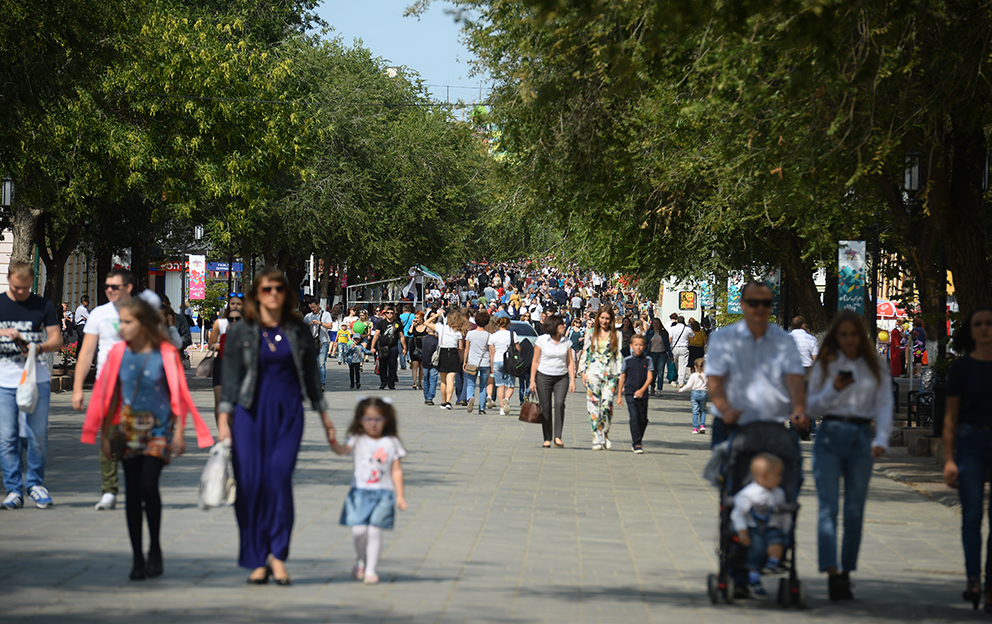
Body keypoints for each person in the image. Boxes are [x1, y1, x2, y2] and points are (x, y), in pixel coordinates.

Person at [217, 267, 335, 585]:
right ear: (256, 294)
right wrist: (223, 421)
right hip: (248, 415)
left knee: (278, 480)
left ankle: (278, 556)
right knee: (250, 486)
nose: (272, 294)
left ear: (286, 294)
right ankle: (257, 559)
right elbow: (230, 378)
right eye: (266, 289)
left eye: (278, 289)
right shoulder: (242, 332)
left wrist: (325, 419)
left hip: (288, 415)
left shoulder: (297, 329)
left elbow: (311, 377)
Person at [80, 297, 213, 579]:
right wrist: (104, 435)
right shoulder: (117, 353)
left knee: (148, 484)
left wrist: (180, 432)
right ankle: (137, 558)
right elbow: (110, 394)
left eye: (127, 322)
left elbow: (178, 394)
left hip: (159, 429)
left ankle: (155, 548)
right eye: (120, 322)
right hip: (128, 428)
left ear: (143, 324)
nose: (121, 327)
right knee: (132, 491)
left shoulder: (165, 352)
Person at [807, 309, 893, 600]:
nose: (849, 340)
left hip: (860, 435)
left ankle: (846, 571)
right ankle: (832, 572)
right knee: (828, 508)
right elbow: (812, 407)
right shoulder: (826, 363)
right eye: (843, 334)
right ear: (836, 336)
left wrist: (881, 438)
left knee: (854, 510)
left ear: (862, 336)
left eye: (854, 334)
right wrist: (834, 388)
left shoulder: (875, 365)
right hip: (830, 433)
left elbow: (884, 404)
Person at [705, 281, 809, 448]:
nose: (760, 308)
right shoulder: (723, 338)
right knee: (726, 465)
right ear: (743, 304)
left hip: (772, 426)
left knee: (788, 464)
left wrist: (799, 409)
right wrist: (725, 409)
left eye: (766, 303)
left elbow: (795, 381)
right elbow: (714, 382)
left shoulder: (785, 341)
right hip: (731, 424)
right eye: (754, 303)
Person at [942, 306, 992, 610]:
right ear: (971, 331)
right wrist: (949, 458)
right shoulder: (961, 368)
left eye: (989, 323)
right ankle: (973, 579)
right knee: (972, 514)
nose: (985, 328)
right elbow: (950, 416)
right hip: (970, 443)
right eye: (979, 324)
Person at [0, 261, 61, 511]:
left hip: (36, 379)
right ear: (9, 279)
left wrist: (37, 347)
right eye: (17, 287)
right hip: (4, 380)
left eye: (26, 288)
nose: (21, 292)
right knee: (7, 437)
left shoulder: (42, 305)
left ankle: (35, 484)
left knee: (37, 435)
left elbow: (56, 340)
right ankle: (14, 489)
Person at [72, 268, 134, 511]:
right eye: (107, 286)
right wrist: (78, 388)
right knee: (108, 437)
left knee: (136, 437)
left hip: (136, 384)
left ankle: (138, 487)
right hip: (107, 384)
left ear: (128, 288)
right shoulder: (99, 313)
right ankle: (109, 490)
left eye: (115, 286)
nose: (109, 290)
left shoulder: (142, 311)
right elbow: (87, 352)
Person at [330, 397, 407, 586]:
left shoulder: (391, 442)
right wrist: (332, 440)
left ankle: (371, 570)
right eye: (368, 419)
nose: (373, 424)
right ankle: (362, 560)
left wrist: (400, 495)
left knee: (374, 531)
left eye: (378, 419)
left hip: (383, 493)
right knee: (358, 532)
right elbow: (342, 450)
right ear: (360, 420)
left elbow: (396, 470)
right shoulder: (357, 439)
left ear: (387, 419)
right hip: (359, 492)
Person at [731, 453, 792, 600]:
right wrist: (742, 531)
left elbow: (784, 513)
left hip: (772, 527)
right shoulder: (748, 494)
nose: (781, 478)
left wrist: (786, 528)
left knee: (777, 542)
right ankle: (753, 578)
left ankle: (772, 563)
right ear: (764, 476)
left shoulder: (779, 493)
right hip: (752, 528)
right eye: (778, 475)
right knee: (756, 548)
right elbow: (738, 514)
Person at [579, 306, 622, 451]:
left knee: (607, 405)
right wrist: (583, 371)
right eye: (602, 318)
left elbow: (619, 355)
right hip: (593, 372)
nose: (604, 321)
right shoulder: (591, 333)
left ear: (611, 320)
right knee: (593, 407)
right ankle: (596, 437)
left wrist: (621, 375)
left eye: (607, 318)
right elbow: (586, 352)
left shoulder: (617, 335)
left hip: (610, 374)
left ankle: (605, 433)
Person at [530, 315, 576, 448]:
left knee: (559, 404)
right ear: (554, 326)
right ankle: (547, 437)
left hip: (561, 377)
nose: (564, 326)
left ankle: (558, 436)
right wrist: (532, 380)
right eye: (562, 325)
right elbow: (535, 360)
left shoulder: (566, 341)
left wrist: (572, 380)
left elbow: (570, 361)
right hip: (543, 376)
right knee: (545, 407)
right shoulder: (542, 340)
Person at [208, 295, 244, 422]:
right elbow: (211, 344)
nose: (235, 306)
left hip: (241, 364)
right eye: (233, 303)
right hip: (222, 363)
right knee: (219, 400)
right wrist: (223, 345)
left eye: (238, 304)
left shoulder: (248, 323)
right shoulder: (220, 322)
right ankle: (221, 427)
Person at [616, 334, 654, 454]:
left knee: (643, 419)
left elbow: (650, 377)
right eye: (636, 345)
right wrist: (619, 395)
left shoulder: (648, 360)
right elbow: (622, 377)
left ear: (645, 346)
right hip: (630, 392)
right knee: (634, 417)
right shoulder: (627, 360)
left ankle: (639, 437)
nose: (638, 347)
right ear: (631, 346)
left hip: (643, 394)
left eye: (641, 345)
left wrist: (642, 390)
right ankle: (637, 443)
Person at [431, 308, 467, 410]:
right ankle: (448, 401)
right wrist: (461, 357)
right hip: (454, 353)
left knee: (443, 381)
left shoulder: (441, 328)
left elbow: (426, 323)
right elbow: (461, 347)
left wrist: (436, 315)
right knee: (451, 379)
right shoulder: (458, 332)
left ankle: (443, 401)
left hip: (443, 353)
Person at [369, 307, 406, 391]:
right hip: (383, 347)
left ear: (394, 314)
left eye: (391, 313)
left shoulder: (397, 323)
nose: (389, 314)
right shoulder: (381, 323)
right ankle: (383, 382)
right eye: (388, 313)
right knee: (383, 365)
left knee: (392, 365)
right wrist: (372, 347)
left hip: (393, 347)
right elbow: (376, 335)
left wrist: (404, 347)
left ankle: (391, 383)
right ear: (385, 314)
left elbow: (401, 336)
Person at [464, 310, 492, 414]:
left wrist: (465, 361)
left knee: (470, 384)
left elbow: (467, 349)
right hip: (485, 363)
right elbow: (491, 352)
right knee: (483, 386)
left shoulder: (470, 334)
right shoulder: (489, 335)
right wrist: (492, 365)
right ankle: (482, 408)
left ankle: (470, 398)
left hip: (472, 362)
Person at [489, 315, 516, 415]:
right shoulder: (512, 334)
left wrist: (491, 366)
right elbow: (518, 348)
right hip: (509, 361)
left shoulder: (493, 336)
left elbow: (492, 353)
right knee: (510, 386)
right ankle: (507, 399)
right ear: (508, 324)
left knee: (500, 386)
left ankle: (501, 408)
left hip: (497, 361)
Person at [304, 301, 333, 391]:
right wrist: (307, 325)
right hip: (311, 343)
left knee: (321, 364)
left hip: (322, 342)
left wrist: (320, 323)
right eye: (311, 308)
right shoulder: (308, 316)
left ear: (318, 305)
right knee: (311, 364)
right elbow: (302, 328)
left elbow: (330, 326)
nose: (312, 309)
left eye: (314, 307)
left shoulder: (326, 314)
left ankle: (321, 384)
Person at [679, 358, 708, 434]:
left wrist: (681, 390)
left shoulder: (693, 375)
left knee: (695, 411)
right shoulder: (707, 375)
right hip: (704, 393)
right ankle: (702, 425)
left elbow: (689, 385)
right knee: (703, 410)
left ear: (695, 367)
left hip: (695, 393)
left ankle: (695, 428)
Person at [646, 318, 671, 395]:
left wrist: (670, 354)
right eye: (654, 323)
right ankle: (652, 386)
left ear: (660, 324)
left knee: (660, 372)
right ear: (652, 324)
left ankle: (659, 389)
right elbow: (646, 343)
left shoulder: (664, 333)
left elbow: (667, 344)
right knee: (652, 372)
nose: (656, 325)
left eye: (657, 323)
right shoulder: (649, 333)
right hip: (651, 354)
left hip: (662, 354)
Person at [669, 313, 694, 387]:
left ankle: (674, 380)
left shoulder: (672, 328)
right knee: (683, 365)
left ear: (677, 321)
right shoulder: (687, 329)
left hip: (674, 347)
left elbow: (670, 338)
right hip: (684, 348)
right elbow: (693, 336)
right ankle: (681, 381)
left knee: (674, 365)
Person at [421, 324, 440, 406]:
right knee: (433, 380)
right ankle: (430, 397)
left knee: (426, 380)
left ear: (427, 330)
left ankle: (426, 396)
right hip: (434, 363)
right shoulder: (437, 340)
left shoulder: (423, 339)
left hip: (424, 362)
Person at [409, 311, 428, 390]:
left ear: (422, 318)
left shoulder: (426, 326)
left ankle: (420, 382)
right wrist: (412, 325)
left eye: (418, 318)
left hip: (424, 347)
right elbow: (409, 333)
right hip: (415, 347)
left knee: (421, 366)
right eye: (415, 318)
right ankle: (414, 382)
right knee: (415, 365)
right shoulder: (414, 326)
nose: (416, 319)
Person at [399, 304, 415, 371]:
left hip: (403, 334)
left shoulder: (400, 316)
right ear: (410, 310)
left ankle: (403, 366)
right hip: (411, 334)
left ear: (403, 310)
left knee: (402, 349)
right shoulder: (413, 316)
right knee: (409, 349)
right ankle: (409, 359)